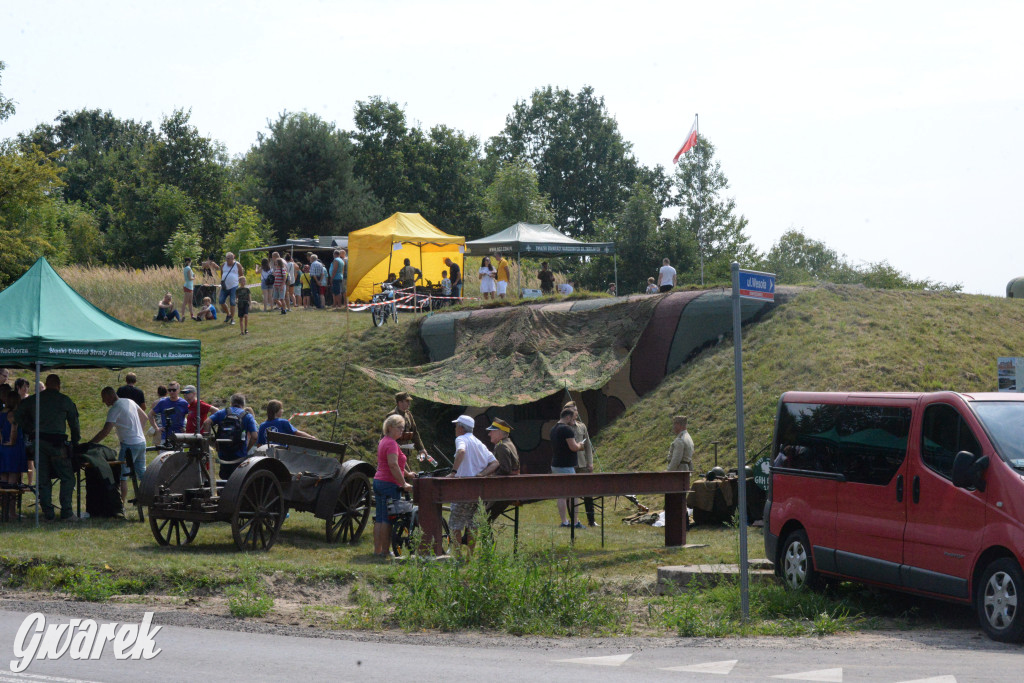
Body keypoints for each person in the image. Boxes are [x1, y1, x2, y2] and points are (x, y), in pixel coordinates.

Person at [14, 374, 80, 521]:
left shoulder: (34, 399)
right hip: (57, 444)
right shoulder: (64, 400)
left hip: (39, 442)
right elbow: (74, 424)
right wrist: (76, 442)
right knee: (67, 477)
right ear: (58, 385)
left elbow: (18, 415)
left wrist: (30, 428)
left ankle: (48, 513)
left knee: (43, 478)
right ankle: (67, 512)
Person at [88, 386, 156, 504]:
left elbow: (105, 431)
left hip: (129, 445)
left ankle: (121, 504)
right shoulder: (129, 401)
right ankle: (153, 496)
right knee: (142, 473)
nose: (103, 401)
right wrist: (137, 431)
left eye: (104, 398)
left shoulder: (115, 408)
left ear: (110, 396)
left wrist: (90, 444)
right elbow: (144, 417)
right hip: (141, 442)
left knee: (122, 475)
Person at [447, 415, 498, 554]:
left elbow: (461, 451)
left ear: (461, 427)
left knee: (455, 525)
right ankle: (470, 556)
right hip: (478, 490)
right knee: (472, 525)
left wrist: (453, 472)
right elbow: (495, 462)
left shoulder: (461, 439)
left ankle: (457, 556)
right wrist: (482, 474)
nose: (455, 429)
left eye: (456, 426)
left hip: (462, 489)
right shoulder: (479, 443)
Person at [372, 414, 417, 558]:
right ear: (390, 427)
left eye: (403, 428)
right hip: (389, 484)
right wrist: (403, 483)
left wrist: (408, 474)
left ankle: (377, 550)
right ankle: (385, 551)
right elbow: (392, 464)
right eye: (399, 428)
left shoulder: (384, 441)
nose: (402, 431)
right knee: (387, 519)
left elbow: (394, 464)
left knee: (379, 518)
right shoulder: (391, 443)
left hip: (379, 481)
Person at [202, 393, 258, 480]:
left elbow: (206, 423)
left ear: (231, 403)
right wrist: (246, 449)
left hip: (223, 455)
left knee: (224, 479)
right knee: (238, 481)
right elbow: (254, 436)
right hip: (239, 456)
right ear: (243, 405)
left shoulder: (222, 412)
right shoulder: (247, 416)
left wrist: (209, 442)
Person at [550, 407, 586, 528]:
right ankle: (575, 522)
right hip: (566, 466)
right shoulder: (566, 429)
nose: (575, 421)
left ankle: (564, 521)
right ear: (568, 417)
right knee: (574, 494)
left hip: (556, 464)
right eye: (574, 418)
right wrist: (580, 445)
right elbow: (573, 447)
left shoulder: (553, 429)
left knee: (561, 495)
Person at [564, 401, 598, 527]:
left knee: (588, 492)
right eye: (573, 410)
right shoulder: (563, 427)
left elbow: (588, 445)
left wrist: (590, 462)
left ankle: (591, 520)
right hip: (569, 465)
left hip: (582, 464)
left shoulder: (582, 426)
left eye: (576, 410)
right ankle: (573, 520)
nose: (576, 412)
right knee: (571, 493)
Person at [1, 387, 28, 518]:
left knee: (3, 481)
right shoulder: (13, 415)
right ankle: (11, 512)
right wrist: (12, 441)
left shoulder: (1, 413)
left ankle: (4, 511)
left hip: (2, 449)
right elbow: (14, 429)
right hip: (13, 449)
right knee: (12, 482)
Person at [386, 392, 428, 463]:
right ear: (400, 402)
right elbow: (385, 436)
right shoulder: (391, 416)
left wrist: (421, 449)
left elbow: (414, 433)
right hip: (394, 453)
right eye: (407, 401)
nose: (409, 403)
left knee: (406, 473)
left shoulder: (408, 415)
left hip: (405, 453)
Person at [148, 381, 188, 446]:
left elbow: (192, 415)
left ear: (178, 390)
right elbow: (150, 414)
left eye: (174, 390)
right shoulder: (162, 402)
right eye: (169, 390)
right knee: (165, 456)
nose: (171, 392)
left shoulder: (184, 403)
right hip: (165, 436)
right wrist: (157, 429)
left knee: (178, 456)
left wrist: (187, 428)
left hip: (179, 436)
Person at [220, 252, 243, 324]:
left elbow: (241, 275)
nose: (228, 260)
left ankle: (232, 319)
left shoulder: (237, 265)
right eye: (227, 258)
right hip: (225, 287)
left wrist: (242, 285)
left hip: (234, 286)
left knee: (232, 302)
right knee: (221, 301)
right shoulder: (223, 265)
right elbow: (222, 273)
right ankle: (228, 314)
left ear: (233, 258)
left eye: (230, 258)